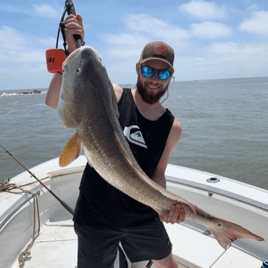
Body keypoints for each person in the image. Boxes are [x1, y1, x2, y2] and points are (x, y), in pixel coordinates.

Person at [46, 14, 186, 268]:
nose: (154, 78)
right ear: (137, 69)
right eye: (148, 70)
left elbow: (158, 173)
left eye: (162, 72)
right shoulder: (115, 96)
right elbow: (55, 99)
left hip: (142, 217)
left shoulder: (172, 127)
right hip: (95, 216)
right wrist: (71, 50)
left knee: (169, 265)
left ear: (171, 75)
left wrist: (165, 204)